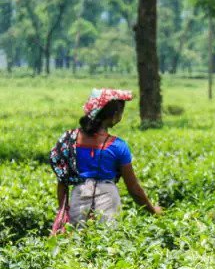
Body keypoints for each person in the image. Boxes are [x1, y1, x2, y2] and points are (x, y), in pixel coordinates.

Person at [50, 88, 162, 228]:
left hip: (78, 199)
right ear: (115, 114)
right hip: (108, 200)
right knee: (106, 241)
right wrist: (153, 211)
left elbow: (62, 181)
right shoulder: (118, 146)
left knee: (76, 243)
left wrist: (63, 210)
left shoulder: (69, 139)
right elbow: (134, 188)